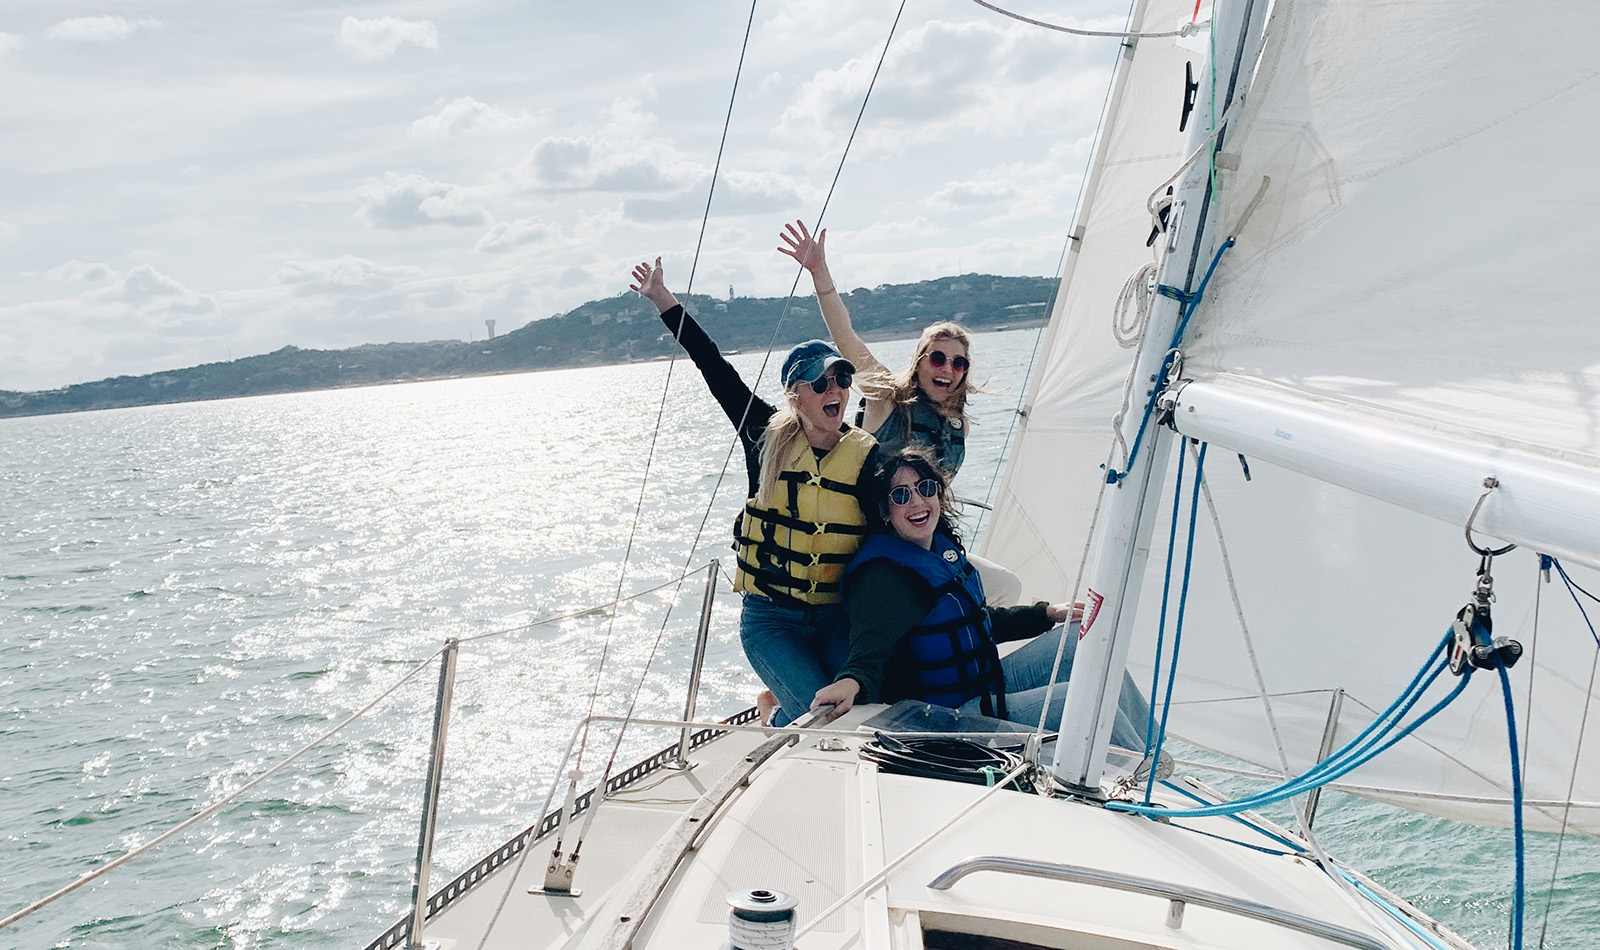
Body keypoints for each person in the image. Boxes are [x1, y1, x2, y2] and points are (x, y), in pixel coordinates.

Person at [630, 257, 876, 726]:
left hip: (834, 617)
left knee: (863, 706)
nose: (836, 389)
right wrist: (664, 299)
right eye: (820, 381)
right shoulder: (764, 436)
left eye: (842, 379)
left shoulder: (864, 455)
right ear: (795, 395)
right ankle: (778, 716)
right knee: (823, 719)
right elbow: (714, 367)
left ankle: (777, 709)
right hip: (771, 619)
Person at [810, 450, 1150, 750]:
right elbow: (869, 652)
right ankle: (1146, 782)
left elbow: (975, 623)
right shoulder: (885, 580)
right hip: (949, 720)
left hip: (984, 685)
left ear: (939, 496)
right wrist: (850, 683)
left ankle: (1151, 756)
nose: (917, 502)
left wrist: (1046, 614)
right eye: (901, 496)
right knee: (1083, 701)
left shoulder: (937, 550)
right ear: (885, 511)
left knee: (1082, 641)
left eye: (925, 488)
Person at [778, 220, 1022, 606]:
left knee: (1007, 588)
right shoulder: (886, 397)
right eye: (938, 358)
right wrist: (819, 272)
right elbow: (847, 338)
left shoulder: (956, 425)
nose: (947, 369)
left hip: (921, 540)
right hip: (875, 543)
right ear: (920, 361)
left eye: (958, 363)